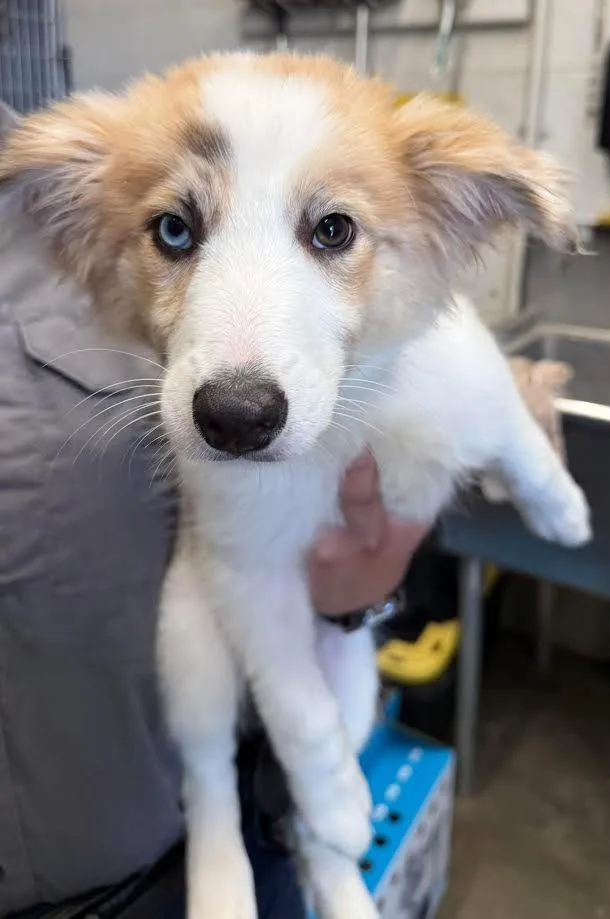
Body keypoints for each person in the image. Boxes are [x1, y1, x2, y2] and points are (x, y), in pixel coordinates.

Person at [0, 101, 427, 919]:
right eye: (177, 232)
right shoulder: (103, 180)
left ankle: (323, 853)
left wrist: (360, 597)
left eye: (331, 231)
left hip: (227, 823)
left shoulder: (84, 169)